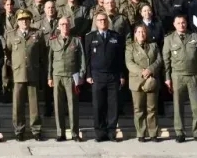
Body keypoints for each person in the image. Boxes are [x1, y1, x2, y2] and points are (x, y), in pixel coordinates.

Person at [163, 14, 197, 143]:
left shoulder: (195, 37)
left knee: (196, 107)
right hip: (177, 76)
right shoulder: (169, 39)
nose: (181, 25)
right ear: (174, 24)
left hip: (193, 75)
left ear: (186, 23)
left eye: (183, 22)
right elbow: (166, 61)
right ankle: (180, 133)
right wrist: (167, 78)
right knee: (178, 107)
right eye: (178, 23)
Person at [6, 9, 47, 141]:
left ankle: (36, 130)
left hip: (33, 73)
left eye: (26, 19)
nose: (24, 22)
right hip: (18, 74)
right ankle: (19, 130)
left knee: (34, 105)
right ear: (17, 21)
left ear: (30, 20)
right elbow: (7, 54)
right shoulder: (11, 35)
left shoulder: (38, 34)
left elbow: (42, 54)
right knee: (17, 105)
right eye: (21, 20)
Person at [85, 12, 126, 142]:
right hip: (97, 76)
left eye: (104, 20)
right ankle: (100, 133)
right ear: (96, 23)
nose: (102, 22)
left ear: (108, 22)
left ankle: (111, 132)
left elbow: (121, 58)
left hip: (113, 76)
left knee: (113, 106)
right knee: (98, 105)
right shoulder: (90, 37)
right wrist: (88, 74)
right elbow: (87, 58)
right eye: (100, 20)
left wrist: (122, 75)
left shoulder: (116, 36)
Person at [47, 16, 85, 142]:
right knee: (58, 106)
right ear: (58, 26)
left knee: (73, 105)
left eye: (66, 24)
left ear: (70, 26)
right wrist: (49, 77)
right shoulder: (53, 41)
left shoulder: (76, 40)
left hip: (71, 76)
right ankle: (60, 133)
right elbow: (49, 61)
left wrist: (81, 75)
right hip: (57, 76)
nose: (64, 26)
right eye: (62, 24)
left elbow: (82, 60)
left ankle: (74, 133)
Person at [125, 24, 162, 142]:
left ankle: (153, 133)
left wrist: (150, 70)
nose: (141, 34)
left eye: (144, 32)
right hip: (137, 81)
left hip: (151, 80)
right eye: (139, 32)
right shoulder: (130, 47)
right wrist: (142, 72)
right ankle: (141, 133)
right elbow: (129, 63)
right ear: (135, 34)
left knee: (152, 108)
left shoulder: (153, 45)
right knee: (138, 109)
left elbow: (159, 60)